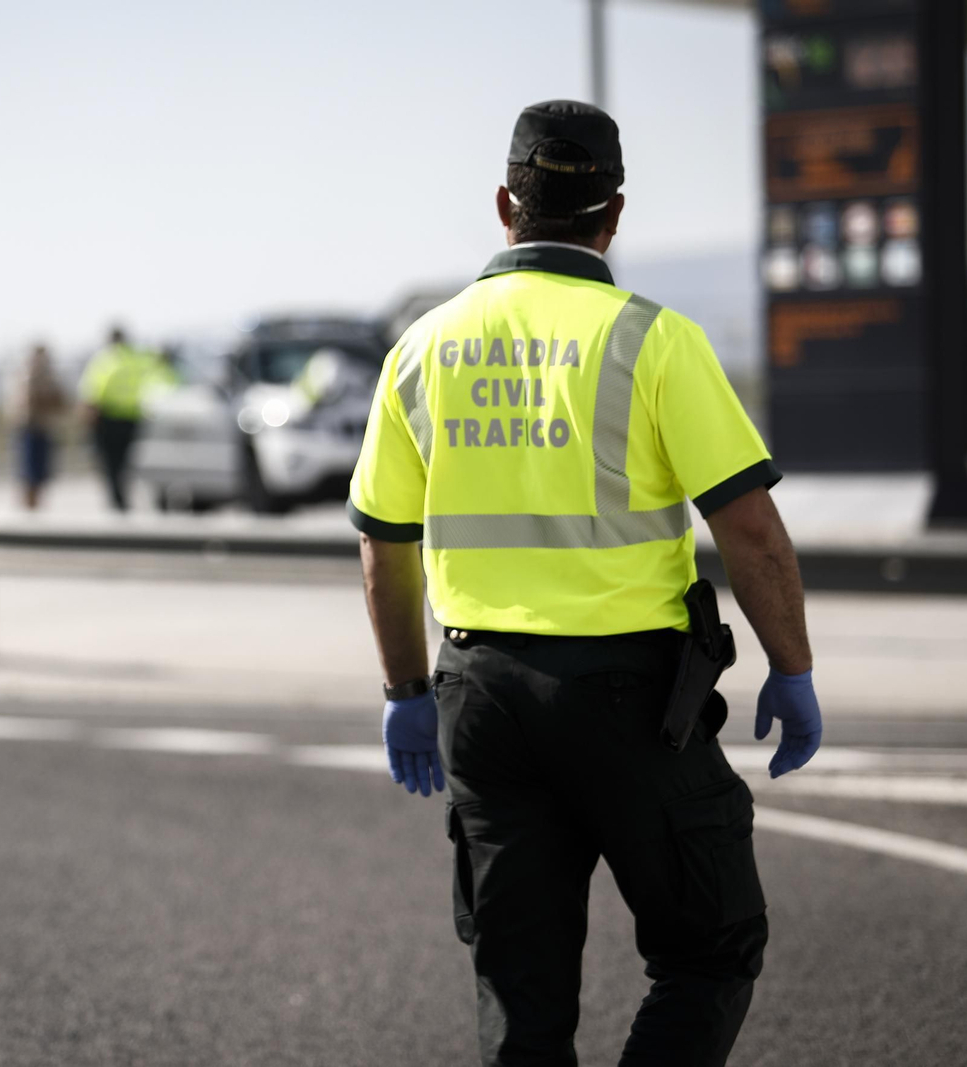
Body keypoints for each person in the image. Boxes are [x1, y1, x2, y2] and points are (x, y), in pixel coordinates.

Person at [347, 100, 823, 1067]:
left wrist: (404, 691)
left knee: (521, 995)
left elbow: (383, 546)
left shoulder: (421, 349)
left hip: (479, 697)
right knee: (710, 949)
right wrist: (792, 665)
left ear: (503, 204)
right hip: (634, 701)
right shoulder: (654, 340)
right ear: (613, 214)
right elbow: (752, 532)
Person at [79, 325, 161, 512]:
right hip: (132, 417)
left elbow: (91, 389)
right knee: (125, 461)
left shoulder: (105, 359)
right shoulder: (137, 359)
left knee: (110, 462)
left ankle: (117, 499)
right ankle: (121, 497)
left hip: (108, 417)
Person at [5, 342, 67, 510]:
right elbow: (27, 403)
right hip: (29, 429)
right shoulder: (25, 375)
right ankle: (29, 509)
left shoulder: (50, 377)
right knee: (29, 475)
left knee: (40, 475)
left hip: (43, 428)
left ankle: (35, 509)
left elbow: (60, 402)